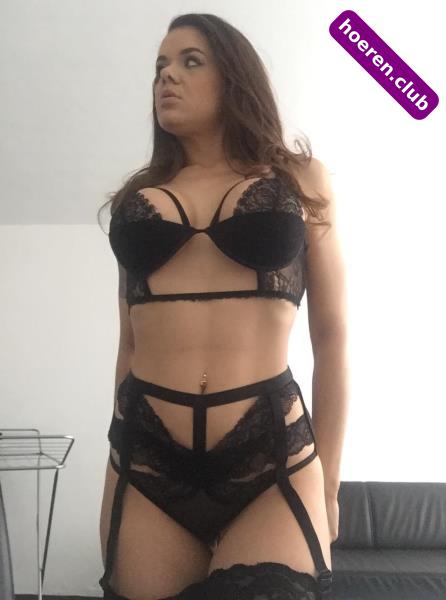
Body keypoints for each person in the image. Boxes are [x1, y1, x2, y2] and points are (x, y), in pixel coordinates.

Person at [97, 12, 347, 600]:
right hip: (147, 451)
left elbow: (332, 337)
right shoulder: (139, 199)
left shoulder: (300, 179)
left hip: (271, 451)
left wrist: (331, 482)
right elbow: (130, 341)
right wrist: (122, 444)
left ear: (234, 75)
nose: (167, 77)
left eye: (190, 61)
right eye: (160, 66)